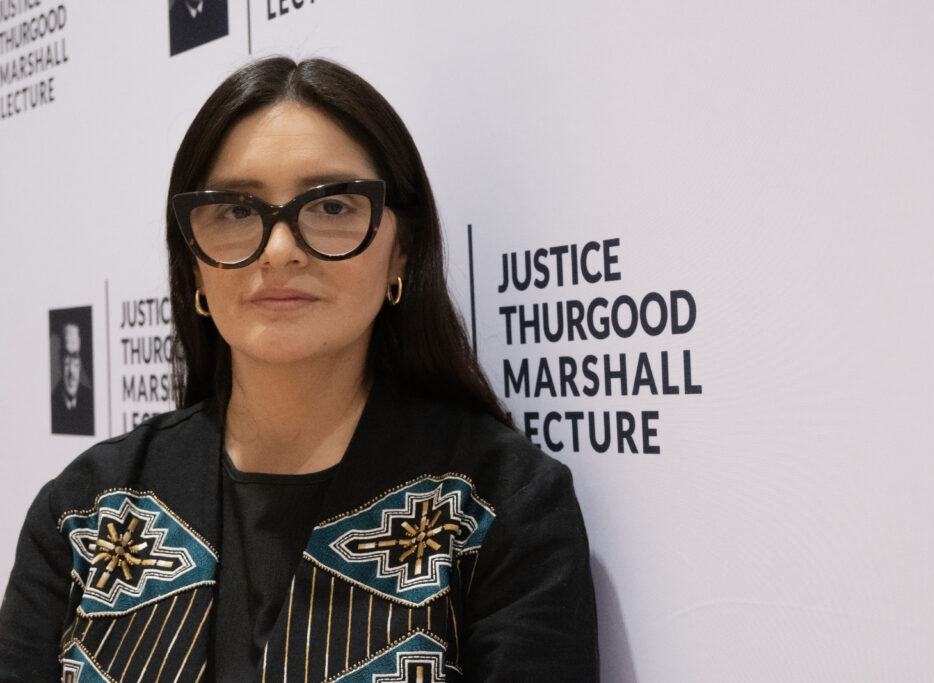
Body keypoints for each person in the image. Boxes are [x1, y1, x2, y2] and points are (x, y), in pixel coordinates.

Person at [0, 57, 599, 681]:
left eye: (333, 206)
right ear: (194, 264)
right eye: (235, 211)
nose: (280, 250)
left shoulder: (502, 505)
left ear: (402, 251)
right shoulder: (85, 512)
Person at [50, 321, 94, 435]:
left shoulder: (90, 400)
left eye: (75, 357)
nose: (71, 371)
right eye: (66, 358)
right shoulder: (52, 404)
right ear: (59, 359)